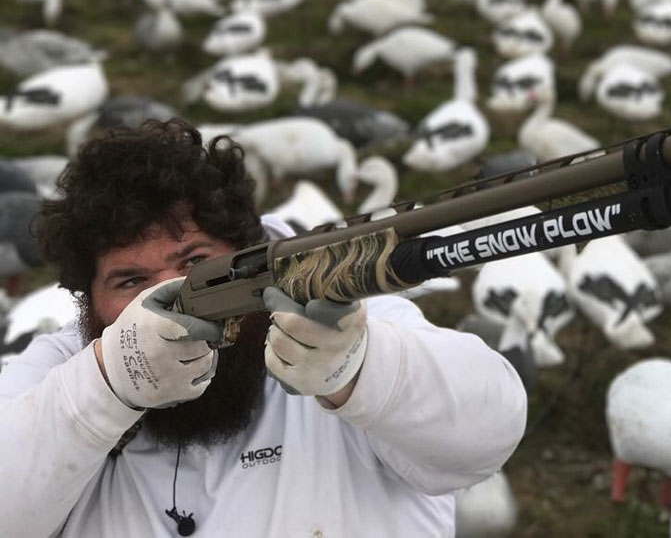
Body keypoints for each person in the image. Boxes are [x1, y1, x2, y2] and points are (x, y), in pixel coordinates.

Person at [0, 119, 527, 537]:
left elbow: (487, 434)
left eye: (195, 262)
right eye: (130, 280)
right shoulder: (62, 369)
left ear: (247, 249)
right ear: (87, 302)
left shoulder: (339, 321)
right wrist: (109, 385)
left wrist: (360, 368)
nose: (169, 301)